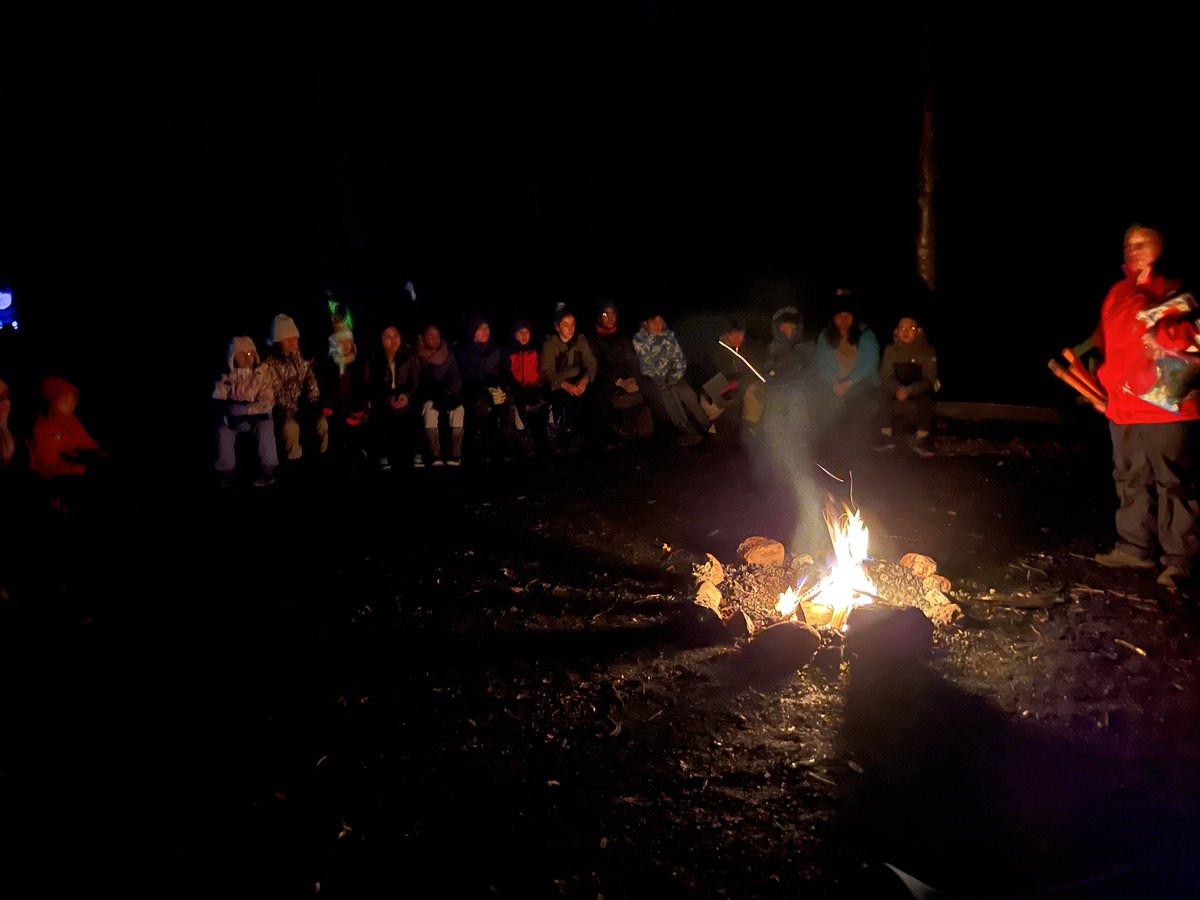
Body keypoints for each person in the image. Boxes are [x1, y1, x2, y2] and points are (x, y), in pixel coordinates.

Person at [1092, 224, 1200, 589]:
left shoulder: (1175, 287)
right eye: (1127, 244)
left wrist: (1167, 335)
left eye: (1141, 243)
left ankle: (1179, 559)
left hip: (1167, 402)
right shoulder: (1118, 292)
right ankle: (1134, 547)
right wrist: (1103, 381)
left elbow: (1193, 331)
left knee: (1173, 483)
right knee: (1129, 477)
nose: (1131, 249)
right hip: (1124, 404)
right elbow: (1106, 341)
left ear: (1161, 247)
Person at [812, 298, 881, 448]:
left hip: (860, 379)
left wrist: (849, 382)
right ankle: (825, 439)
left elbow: (870, 362)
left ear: (854, 317)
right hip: (835, 381)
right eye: (839, 316)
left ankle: (857, 441)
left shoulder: (865, 334)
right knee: (821, 396)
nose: (843, 320)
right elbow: (821, 362)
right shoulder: (826, 336)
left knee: (858, 396)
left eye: (847, 316)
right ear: (833, 318)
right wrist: (834, 382)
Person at [633, 311, 707, 446]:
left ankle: (706, 424)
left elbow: (680, 361)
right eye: (654, 321)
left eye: (660, 321)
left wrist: (673, 377)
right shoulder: (639, 340)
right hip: (655, 381)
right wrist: (662, 381)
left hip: (673, 377)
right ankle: (686, 430)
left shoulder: (669, 337)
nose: (658, 325)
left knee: (688, 393)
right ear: (645, 323)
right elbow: (646, 366)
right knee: (668, 397)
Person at [212, 336, 278, 487]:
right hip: (233, 419)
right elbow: (218, 398)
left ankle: (267, 472)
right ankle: (225, 473)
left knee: (266, 428)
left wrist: (245, 409)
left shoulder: (262, 374)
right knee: (223, 431)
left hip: (257, 418)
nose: (248, 359)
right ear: (232, 357)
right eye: (242, 355)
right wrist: (227, 412)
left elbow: (267, 402)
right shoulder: (225, 377)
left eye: (250, 354)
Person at [262, 313, 328, 464]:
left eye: (295, 337)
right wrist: (286, 410)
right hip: (283, 410)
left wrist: (313, 401)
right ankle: (294, 462)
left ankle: (322, 458)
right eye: (287, 338)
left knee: (321, 422)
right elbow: (273, 392)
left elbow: (312, 381)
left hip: (304, 406)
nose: (293, 341)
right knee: (290, 428)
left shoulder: (305, 357)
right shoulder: (270, 364)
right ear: (278, 341)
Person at [590, 301, 653, 447]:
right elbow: (599, 367)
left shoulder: (622, 337)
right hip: (607, 382)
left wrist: (633, 379)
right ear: (600, 318)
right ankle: (609, 434)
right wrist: (620, 382)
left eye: (613, 314)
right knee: (600, 396)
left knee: (648, 385)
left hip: (626, 379)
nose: (610, 317)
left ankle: (659, 425)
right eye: (606, 314)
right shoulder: (593, 340)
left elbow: (632, 361)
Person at [873, 317, 938, 458]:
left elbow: (930, 378)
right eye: (902, 329)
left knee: (928, 398)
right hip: (897, 385)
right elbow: (885, 374)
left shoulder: (928, 350)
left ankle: (923, 438)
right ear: (896, 332)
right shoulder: (890, 349)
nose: (906, 332)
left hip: (919, 386)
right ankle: (885, 435)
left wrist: (910, 390)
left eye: (911, 329)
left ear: (918, 331)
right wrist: (897, 388)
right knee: (881, 393)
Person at [456, 316, 515, 465]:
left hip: (494, 389)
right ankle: (478, 450)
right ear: (473, 332)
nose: (485, 331)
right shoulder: (464, 352)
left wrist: (500, 389)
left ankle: (504, 446)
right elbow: (467, 379)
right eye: (480, 328)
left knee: (505, 399)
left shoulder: (497, 350)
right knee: (480, 405)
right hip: (474, 392)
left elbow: (504, 373)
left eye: (487, 328)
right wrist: (488, 390)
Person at [540, 306, 597, 454]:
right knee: (563, 402)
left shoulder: (580, 341)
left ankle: (591, 437)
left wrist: (585, 380)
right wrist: (566, 386)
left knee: (593, 396)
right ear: (557, 327)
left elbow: (591, 364)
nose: (570, 328)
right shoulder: (550, 345)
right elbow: (548, 371)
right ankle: (562, 438)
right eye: (565, 325)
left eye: (572, 324)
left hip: (578, 380)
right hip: (558, 384)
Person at [27, 376, 106, 480]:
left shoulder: (71, 419)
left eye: (73, 399)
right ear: (52, 401)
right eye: (65, 400)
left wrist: (98, 451)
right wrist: (79, 469)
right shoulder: (42, 430)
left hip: (73, 463)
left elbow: (84, 440)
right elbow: (49, 467)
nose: (71, 404)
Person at [365, 325, 420, 472]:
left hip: (404, 398)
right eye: (388, 337)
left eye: (396, 336)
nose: (393, 340)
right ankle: (383, 456)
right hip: (384, 399)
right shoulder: (374, 358)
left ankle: (413, 455)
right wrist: (387, 399)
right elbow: (370, 385)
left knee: (410, 417)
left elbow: (415, 383)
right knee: (382, 417)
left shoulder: (409, 355)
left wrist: (406, 397)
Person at [760, 306, 815, 450]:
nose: (787, 329)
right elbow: (768, 367)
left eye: (790, 326)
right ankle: (773, 434)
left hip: (799, 382)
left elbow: (812, 366)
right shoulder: (773, 346)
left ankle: (801, 432)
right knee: (774, 397)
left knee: (795, 395)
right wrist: (771, 372)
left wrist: (800, 371)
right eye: (783, 327)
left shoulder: (805, 344)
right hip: (778, 383)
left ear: (797, 327)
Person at [415, 323, 465, 467]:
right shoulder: (417, 356)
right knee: (429, 410)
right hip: (429, 396)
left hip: (447, 395)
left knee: (458, 410)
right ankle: (434, 454)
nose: (435, 339)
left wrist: (448, 392)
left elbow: (456, 379)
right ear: (423, 338)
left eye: (437, 335)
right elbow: (417, 382)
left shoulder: (448, 353)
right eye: (431, 336)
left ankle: (456, 454)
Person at [507, 319, 551, 458]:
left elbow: (543, 371)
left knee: (541, 407)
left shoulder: (536, 350)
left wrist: (539, 388)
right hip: (517, 391)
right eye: (520, 332)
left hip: (535, 389)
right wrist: (518, 389)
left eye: (527, 332)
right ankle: (523, 438)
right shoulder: (510, 352)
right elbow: (507, 374)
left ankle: (544, 441)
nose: (524, 335)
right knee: (516, 406)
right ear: (515, 334)